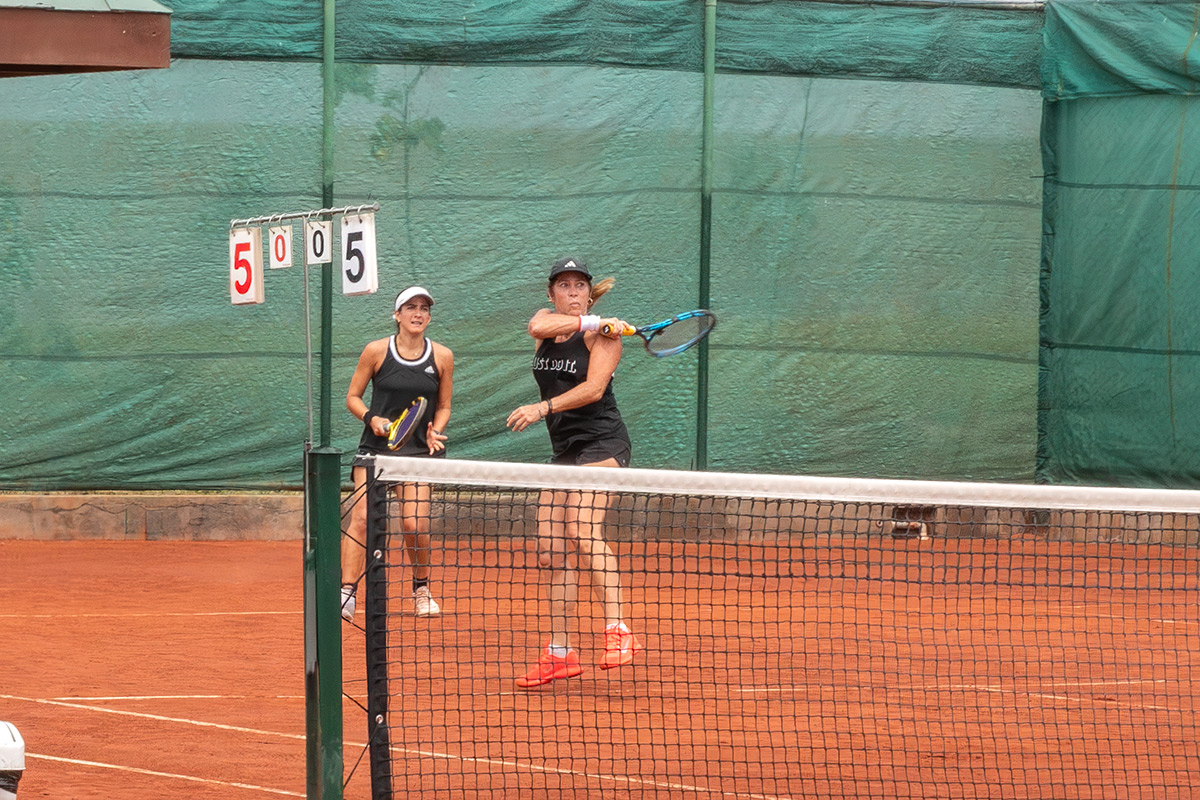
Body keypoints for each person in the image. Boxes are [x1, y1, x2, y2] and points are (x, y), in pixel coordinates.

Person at [505, 256, 643, 687]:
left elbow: (594, 389)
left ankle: (618, 631)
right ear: (552, 294)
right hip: (564, 450)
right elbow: (536, 327)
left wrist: (542, 407)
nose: (573, 292)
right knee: (551, 551)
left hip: (603, 444)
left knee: (582, 528)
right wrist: (596, 320)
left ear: (589, 292)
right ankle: (560, 653)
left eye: (580, 285)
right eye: (564, 286)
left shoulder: (606, 338)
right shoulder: (548, 325)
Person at [341, 286, 454, 621]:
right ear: (397, 314)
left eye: (424, 308)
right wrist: (371, 418)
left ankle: (421, 590)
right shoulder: (376, 351)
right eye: (410, 307)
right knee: (362, 519)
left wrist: (435, 429)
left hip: (417, 454)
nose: (418, 314)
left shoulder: (442, 357)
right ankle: (347, 593)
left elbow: (444, 406)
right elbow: (352, 397)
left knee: (414, 524)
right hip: (375, 451)